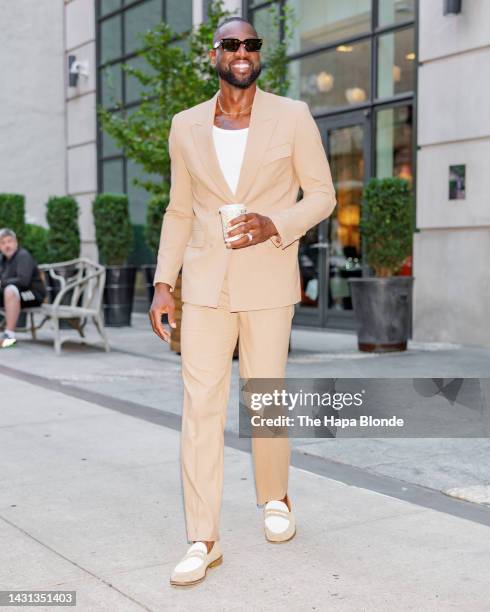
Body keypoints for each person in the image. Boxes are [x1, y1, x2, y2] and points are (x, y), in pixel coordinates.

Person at [149, 16, 337, 587]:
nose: (242, 52)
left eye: (251, 45)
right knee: (199, 408)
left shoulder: (293, 116)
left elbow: (324, 195)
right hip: (204, 284)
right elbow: (180, 209)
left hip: (267, 279)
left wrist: (273, 223)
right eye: (232, 43)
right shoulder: (185, 126)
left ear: (259, 55)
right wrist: (163, 283)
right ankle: (202, 539)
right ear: (215, 53)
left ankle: (275, 497)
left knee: (265, 396)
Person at [0, 228, 46, 348]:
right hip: (16, 295)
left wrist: (2, 283)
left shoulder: (23, 256)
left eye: (9, 241)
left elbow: (23, 281)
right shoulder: (2, 259)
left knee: (10, 290)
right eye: (2, 243)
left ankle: (9, 337)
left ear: (16, 242)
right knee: (9, 290)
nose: (7, 246)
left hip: (33, 294)